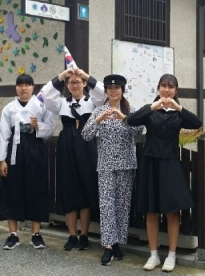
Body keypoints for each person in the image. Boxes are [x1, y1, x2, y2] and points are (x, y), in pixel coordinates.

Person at [126, 74, 202, 272]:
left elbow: (197, 123)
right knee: (151, 211)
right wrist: (153, 107)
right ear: (158, 88)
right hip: (150, 163)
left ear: (176, 90)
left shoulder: (178, 114)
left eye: (171, 87)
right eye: (163, 86)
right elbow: (131, 120)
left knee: (171, 211)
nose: (167, 90)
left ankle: (171, 254)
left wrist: (178, 108)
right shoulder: (150, 110)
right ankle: (153, 255)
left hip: (170, 164)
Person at [82, 74, 143, 266]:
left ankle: (118, 242)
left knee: (122, 205)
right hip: (106, 165)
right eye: (109, 88)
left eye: (116, 88)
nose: (113, 91)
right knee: (107, 204)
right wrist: (99, 119)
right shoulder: (100, 110)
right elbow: (85, 134)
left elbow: (139, 130)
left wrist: (125, 118)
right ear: (106, 91)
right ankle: (108, 245)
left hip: (126, 164)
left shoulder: (131, 110)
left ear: (122, 90)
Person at [40, 68, 104, 251]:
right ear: (67, 86)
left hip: (86, 145)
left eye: (78, 82)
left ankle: (84, 234)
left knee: (86, 187)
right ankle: (72, 235)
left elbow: (101, 92)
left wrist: (86, 76)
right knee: (68, 188)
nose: (75, 85)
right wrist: (60, 76)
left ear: (84, 84)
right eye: (71, 83)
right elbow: (46, 95)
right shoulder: (61, 104)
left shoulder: (92, 102)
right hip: (67, 146)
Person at [0, 74, 55, 250]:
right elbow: (3, 134)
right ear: (16, 88)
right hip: (14, 151)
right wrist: (2, 160)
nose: (23, 88)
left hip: (35, 150)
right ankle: (13, 234)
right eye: (20, 85)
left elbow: (50, 129)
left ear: (33, 87)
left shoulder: (41, 106)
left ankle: (36, 234)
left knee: (36, 189)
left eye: (27, 85)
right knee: (12, 190)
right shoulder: (9, 108)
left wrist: (38, 127)